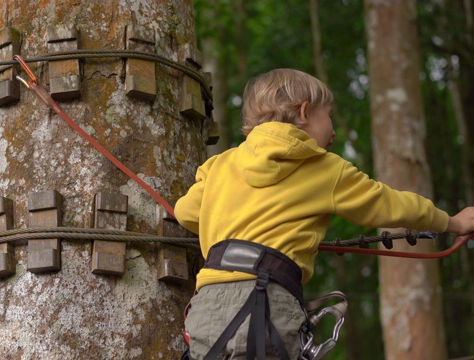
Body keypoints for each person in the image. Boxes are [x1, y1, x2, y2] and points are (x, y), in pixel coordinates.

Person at [174, 68, 474, 360]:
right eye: (328, 115)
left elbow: (185, 211)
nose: (333, 130)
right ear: (304, 112)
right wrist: (453, 222)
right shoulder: (325, 167)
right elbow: (390, 205)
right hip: (267, 306)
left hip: (207, 309)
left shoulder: (221, 165)